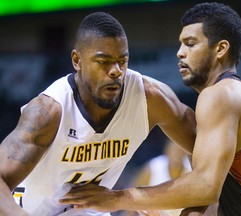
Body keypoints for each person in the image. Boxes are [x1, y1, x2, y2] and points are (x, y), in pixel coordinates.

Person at [59, 2, 241, 216]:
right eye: (180, 44)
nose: (179, 52)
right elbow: (215, 199)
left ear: (221, 49)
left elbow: (205, 186)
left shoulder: (221, 95)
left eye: (190, 44)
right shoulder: (232, 95)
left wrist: (117, 198)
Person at [0, 12, 196, 216]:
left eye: (122, 60)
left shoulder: (150, 98)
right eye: (104, 61)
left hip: (92, 212)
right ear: (77, 60)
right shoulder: (48, 112)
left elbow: (206, 153)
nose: (116, 71)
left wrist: (199, 210)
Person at [128, 139, 191, 216]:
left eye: (179, 152)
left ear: (185, 153)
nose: (176, 155)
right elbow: (133, 193)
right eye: (174, 151)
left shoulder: (190, 172)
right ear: (167, 151)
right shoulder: (153, 167)